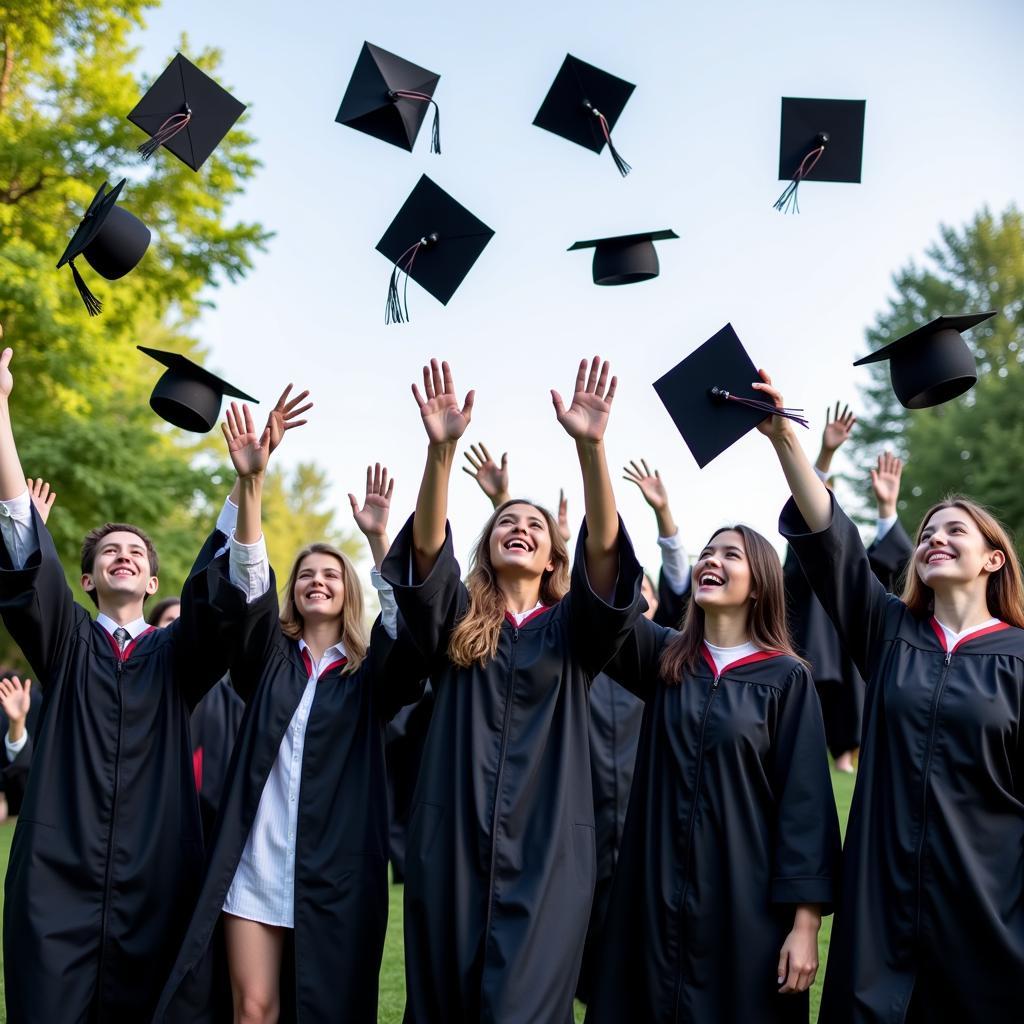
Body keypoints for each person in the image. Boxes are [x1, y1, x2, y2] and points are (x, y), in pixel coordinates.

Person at [0, 346, 308, 1024]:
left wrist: (247, 484)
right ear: (86, 580)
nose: (124, 556)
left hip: (155, 884)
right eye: (109, 551)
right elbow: (23, 540)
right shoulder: (68, 642)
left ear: (151, 583)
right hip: (57, 877)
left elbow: (221, 590)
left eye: (137, 554)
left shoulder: (177, 658)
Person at [381, 357, 645, 1023]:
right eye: (505, 523)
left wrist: (592, 449)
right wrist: (439, 453)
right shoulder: (454, 625)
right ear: (486, 547)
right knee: (441, 1008)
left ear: (556, 557)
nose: (519, 528)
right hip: (450, 848)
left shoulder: (574, 632)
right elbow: (425, 552)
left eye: (534, 526)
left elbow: (608, 556)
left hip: (550, 855)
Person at [757, 369, 1024, 1023]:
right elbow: (834, 547)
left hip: (988, 915)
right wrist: (784, 442)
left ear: (993, 559)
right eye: (927, 531)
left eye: (954, 531)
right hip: (882, 910)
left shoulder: (1020, 658)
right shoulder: (888, 632)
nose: (934, 537)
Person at [153, 446, 424, 1024]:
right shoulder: (269, 658)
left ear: (350, 590)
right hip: (256, 858)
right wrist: (251, 482)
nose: (317, 582)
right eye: (306, 575)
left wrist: (379, 543)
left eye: (330, 574)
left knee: (327, 1007)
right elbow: (248, 583)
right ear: (294, 590)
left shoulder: (370, 674)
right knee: (253, 1010)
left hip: (338, 866)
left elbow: (406, 632)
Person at [586, 514, 840, 1023]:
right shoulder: (663, 659)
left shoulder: (785, 679)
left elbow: (805, 806)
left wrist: (805, 926)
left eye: (730, 555)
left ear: (758, 584)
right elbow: (606, 605)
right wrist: (593, 452)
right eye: (708, 552)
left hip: (744, 907)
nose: (711, 560)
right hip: (652, 898)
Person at [462, 445, 691, 1003]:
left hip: (603, 828)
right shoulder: (513, 633)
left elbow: (619, 570)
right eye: (510, 525)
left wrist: (599, 456)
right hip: (519, 822)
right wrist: (503, 504)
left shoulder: (621, 643)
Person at [783, 407, 912, 773]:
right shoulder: (809, 557)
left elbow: (886, 566)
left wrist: (887, 509)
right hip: (810, 633)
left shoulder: (865, 595)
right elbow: (819, 537)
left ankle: (843, 755)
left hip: (844, 642)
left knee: (849, 689)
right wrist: (824, 456)